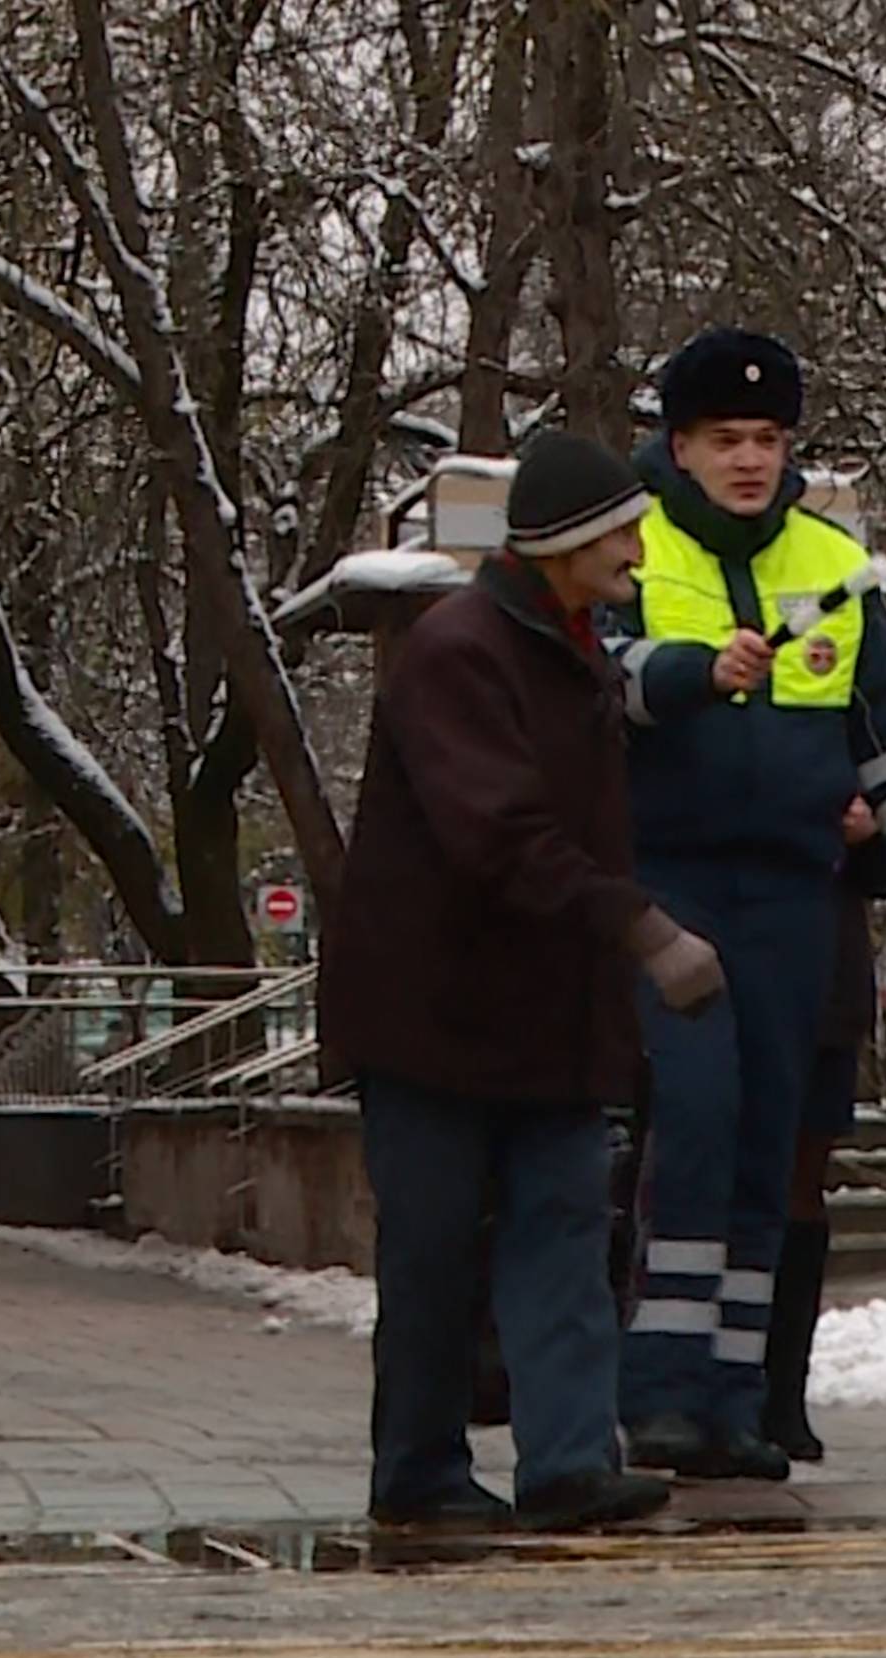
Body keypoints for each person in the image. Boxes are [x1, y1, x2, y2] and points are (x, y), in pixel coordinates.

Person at [323, 428, 709, 1535]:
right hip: (433, 1019)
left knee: (562, 1241)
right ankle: (417, 1469)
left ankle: (569, 1461)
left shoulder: (568, 646)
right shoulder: (460, 651)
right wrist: (640, 929)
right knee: (436, 1250)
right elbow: (499, 835)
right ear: (562, 544)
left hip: (545, 1020)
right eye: (622, 529)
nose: (639, 545)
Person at [604, 327, 886, 1479]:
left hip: (791, 890)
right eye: (726, 440)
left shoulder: (832, 562)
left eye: (766, 440)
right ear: (681, 446)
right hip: (668, 879)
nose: (750, 460)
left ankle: (734, 1395)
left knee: (770, 1134)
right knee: (697, 1119)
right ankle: (656, 1391)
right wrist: (688, 672)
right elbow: (596, 676)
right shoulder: (633, 542)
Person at [763, 797, 886, 1462]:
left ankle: (783, 1394)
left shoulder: (843, 708)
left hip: (825, 985)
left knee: (800, 1187)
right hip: (726, 960)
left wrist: (871, 834)